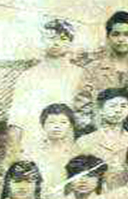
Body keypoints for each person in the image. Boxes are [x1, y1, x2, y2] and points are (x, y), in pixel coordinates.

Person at [6, 18, 82, 159]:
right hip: (33, 146)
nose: (56, 43)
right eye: (51, 38)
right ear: (42, 41)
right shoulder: (28, 76)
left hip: (70, 148)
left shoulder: (81, 75)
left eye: (63, 38)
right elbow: (16, 120)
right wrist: (12, 155)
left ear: (71, 43)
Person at [72, 11, 128, 133]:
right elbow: (81, 107)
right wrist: (96, 133)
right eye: (116, 34)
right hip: (99, 134)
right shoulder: (93, 69)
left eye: (126, 34)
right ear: (108, 37)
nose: (121, 39)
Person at [73, 87, 128, 190]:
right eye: (112, 106)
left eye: (123, 106)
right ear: (101, 110)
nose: (118, 110)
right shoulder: (84, 142)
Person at [31, 103, 79, 199]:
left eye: (63, 122)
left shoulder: (77, 154)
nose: (57, 126)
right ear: (43, 125)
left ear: (71, 126)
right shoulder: (32, 153)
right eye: (51, 122)